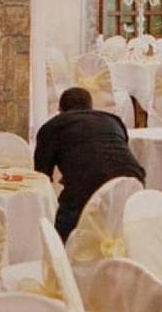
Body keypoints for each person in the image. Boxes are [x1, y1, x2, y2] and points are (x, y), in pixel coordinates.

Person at [33, 86, 146, 239]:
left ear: (60, 110)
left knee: (62, 231)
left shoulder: (52, 127)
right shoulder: (114, 121)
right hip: (132, 183)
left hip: (86, 186)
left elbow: (41, 176)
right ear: (91, 107)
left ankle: (65, 251)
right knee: (119, 224)